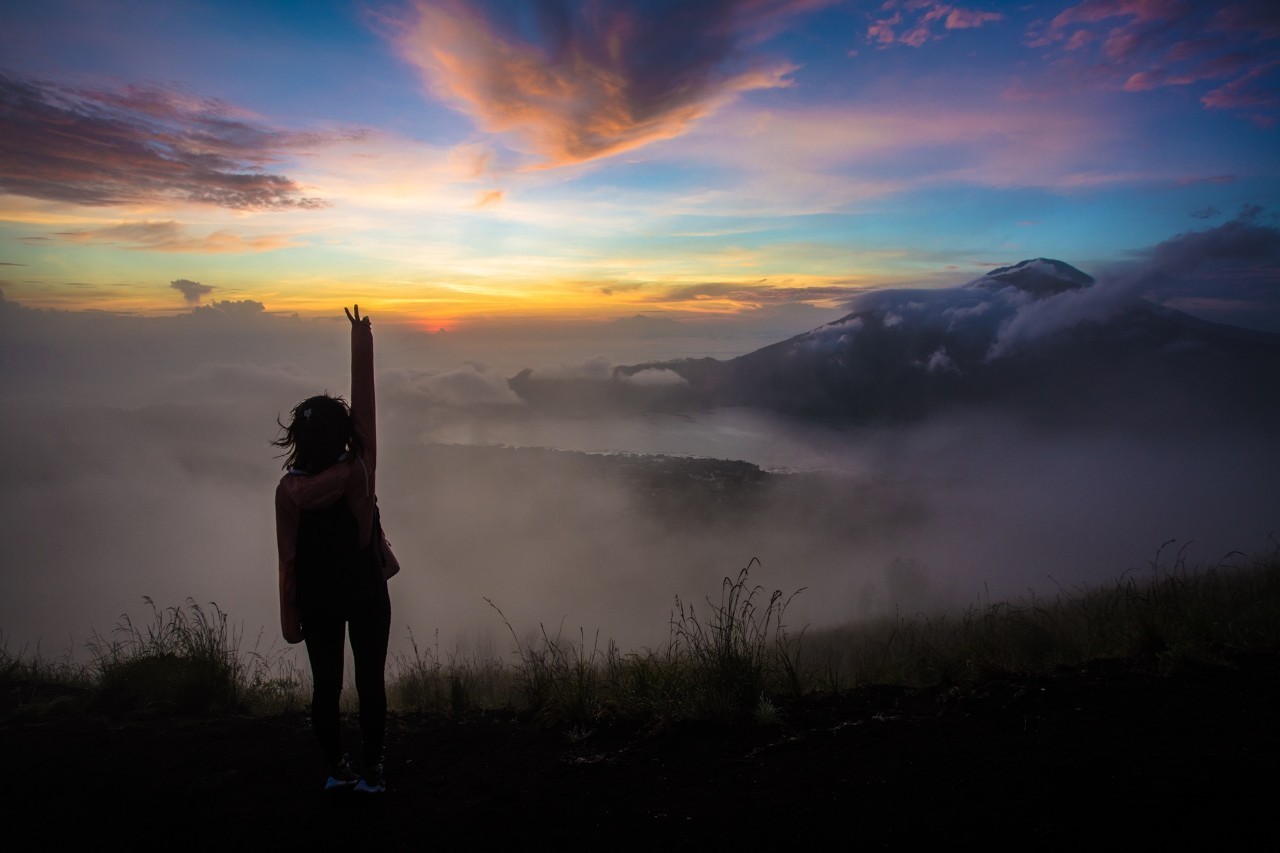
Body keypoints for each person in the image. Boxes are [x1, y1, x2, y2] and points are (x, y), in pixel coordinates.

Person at [273, 304, 399, 794]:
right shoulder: (358, 469)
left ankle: (334, 770)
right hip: (366, 592)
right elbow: (365, 409)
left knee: (325, 686)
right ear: (341, 433)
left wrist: (290, 620)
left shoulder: (288, 491)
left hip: (318, 602)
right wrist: (361, 338)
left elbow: (288, 561)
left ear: (298, 441)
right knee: (371, 682)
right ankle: (373, 772)